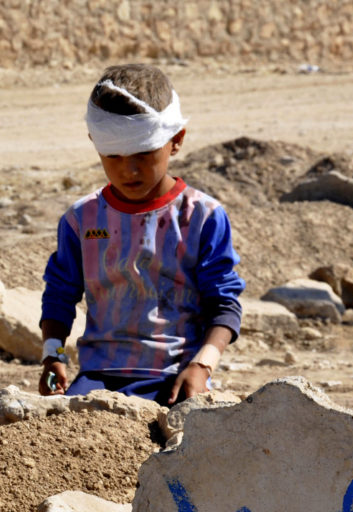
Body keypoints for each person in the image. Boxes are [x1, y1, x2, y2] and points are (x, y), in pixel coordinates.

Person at [38, 63, 245, 406]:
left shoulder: (202, 216)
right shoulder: (81, 219)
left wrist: (202, 366)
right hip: (97, 377)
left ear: (175, 141)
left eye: (143, 154)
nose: (128, 170)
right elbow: (60, 294)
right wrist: (53, 355)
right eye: (113, 156)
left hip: (176, 376)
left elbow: (223, 303)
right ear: (95, 144)